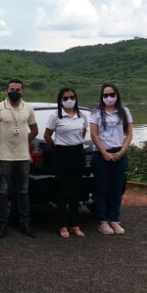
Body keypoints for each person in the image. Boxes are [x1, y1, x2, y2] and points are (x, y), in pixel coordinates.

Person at [0, 79, 38, 238]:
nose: (15, 91)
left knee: (23, 191)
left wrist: (24, 142)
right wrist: (3, 144)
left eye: (18, 89)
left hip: (23, 157)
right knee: (4, 191)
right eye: (12, 89)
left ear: (22, 91)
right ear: (7, 91)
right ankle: (2, 225)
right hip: (5, 157)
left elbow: (35, 130)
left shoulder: (28, 108)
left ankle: (25, 223)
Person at [89, 83, 134, 235]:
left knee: (116, 188)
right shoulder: (96, 112)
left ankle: (115, 219)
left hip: (119, 154)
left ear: (117, 95)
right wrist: (104, 153)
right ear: (102, 97)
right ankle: (102, 221)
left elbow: (129, 133)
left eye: (112, 94)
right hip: (101, 154)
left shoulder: (124, 111)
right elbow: (94, 135)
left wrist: (122, 151)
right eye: (106, 95)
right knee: (102, 188)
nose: (109, 98)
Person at [44, 86, 87, 239]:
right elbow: (47, 135)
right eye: (65, 98)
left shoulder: (81, 115)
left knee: (76, 190)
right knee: (62, 191)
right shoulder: (56, 116)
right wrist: (55, 148)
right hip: (61, 154)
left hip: (78, 153)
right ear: (60, 100)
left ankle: (74, 224)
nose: (69, 100)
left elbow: (83, 132)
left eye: (72, 97)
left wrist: (76, 143)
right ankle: (62, 225)